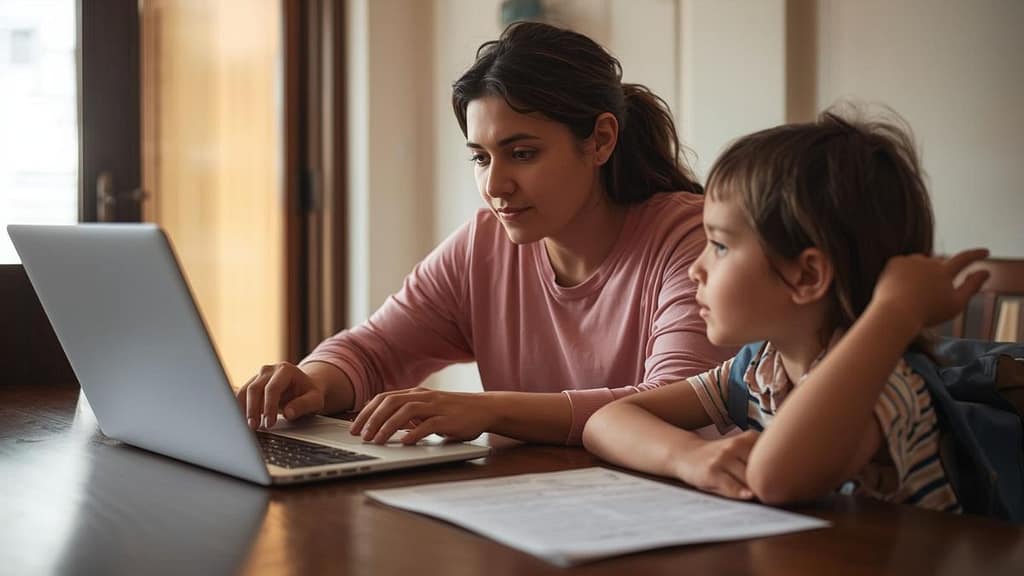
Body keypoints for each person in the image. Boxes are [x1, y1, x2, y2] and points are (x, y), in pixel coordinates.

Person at [236, 21, 732, 446]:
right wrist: (312, 383)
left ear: (600, 140)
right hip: (533, 510)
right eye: (480, 157)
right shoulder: (484, 244)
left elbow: (678, 402)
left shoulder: (691, 236)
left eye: (522, 154)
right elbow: (374, 351)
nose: (494, 186)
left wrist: (491, 410)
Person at [582, 108, 990, 512]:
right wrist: (689, 456)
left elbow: (775, 479)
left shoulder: (880, 383)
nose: (696, 269)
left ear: (808, 275)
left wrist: (896, 311)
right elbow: (606, 422)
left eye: (720, 246)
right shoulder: (758, 368)